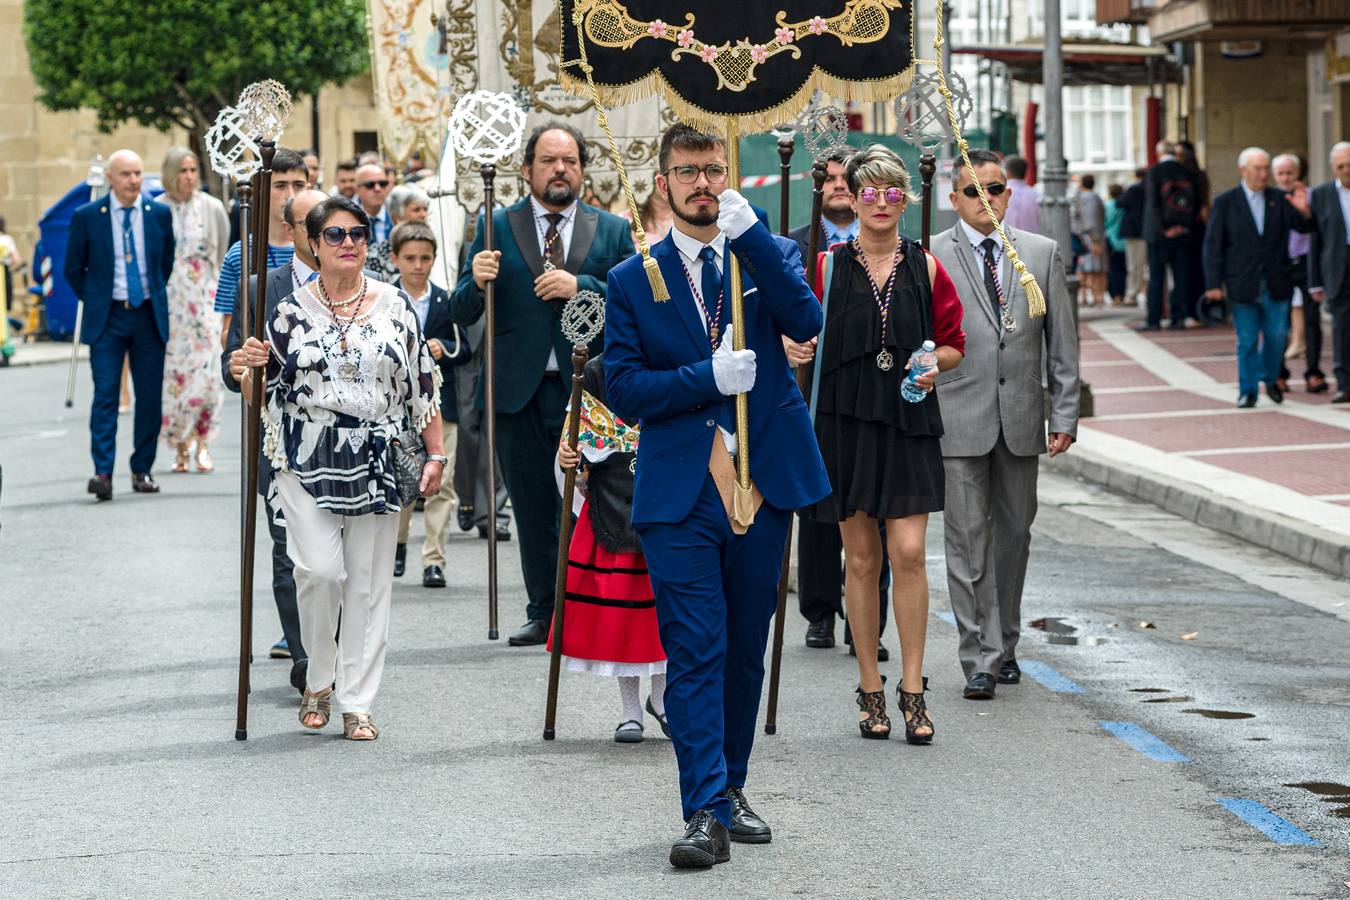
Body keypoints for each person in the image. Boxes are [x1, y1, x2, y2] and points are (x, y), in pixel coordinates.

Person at [604, 122, 830, 868]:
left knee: (742, 650)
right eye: (686, 172)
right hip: (681, 489)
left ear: (727, 176)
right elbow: (626, 388)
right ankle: (702, 809)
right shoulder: (633, 279)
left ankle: (732, 789)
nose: (701, 184)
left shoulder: (765, 254)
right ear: (663, 183)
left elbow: (807, 319)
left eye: (712, 170)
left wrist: (756, 238)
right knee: (695, 646)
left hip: (762, 482)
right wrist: (708, 378)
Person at [236, 196, 447, 741]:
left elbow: (421, 386)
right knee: (318, 572)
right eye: (334, 235)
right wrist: (248, 370)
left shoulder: (397, 305)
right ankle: (318, 678)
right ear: (313, 243)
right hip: (305, 456)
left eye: (357, 232)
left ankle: (356, 700)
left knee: (369, 585)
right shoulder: (287, 312)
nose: (347, 243)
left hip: (377, 454)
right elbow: (260, 396)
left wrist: (436, 453)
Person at [790, 144, 964, 745]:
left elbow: (954, 342)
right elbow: (798, 329)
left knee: (909, 552)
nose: (882, 202)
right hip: (845, 421)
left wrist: (933, 362)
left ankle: (912, 688)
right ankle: (870, 688)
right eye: (871, 191)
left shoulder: (928, 266)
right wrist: (795, 348)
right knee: (861, 559)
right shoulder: (828, 266)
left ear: (906, 199)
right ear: (854, 196)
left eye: (894, 192)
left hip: (908, 419)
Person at [451, 121, 635, 647]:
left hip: (589, 391)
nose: (561, 169)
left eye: (571, 161)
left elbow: (633, 301)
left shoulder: (611, 230)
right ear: (528, 169)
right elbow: (462, 309)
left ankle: (590, 608)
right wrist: (476, 278)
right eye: (550, 160)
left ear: (582, 169)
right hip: (516, 389)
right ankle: (544, 611)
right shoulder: (496, 225)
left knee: (588, 504)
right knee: (532, 505)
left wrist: (584, 285)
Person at [931, 148, 1080, 701]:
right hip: (957, 416)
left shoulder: (1041, 253)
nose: (984, 200)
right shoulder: (932, 255)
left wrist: (1063, 413)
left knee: (1014, 537)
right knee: (966, 542)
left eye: (993, 189)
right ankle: (978, 657)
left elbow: (1062, 344)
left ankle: (1006, 642)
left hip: (1020, 419)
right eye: (972, 191)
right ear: (954, 199)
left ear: (1008, 195)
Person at [784, 149, 890, 655]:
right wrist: (788, 342)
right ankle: (821, 611)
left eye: (850, 180)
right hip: (816, 394)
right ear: (818, 188)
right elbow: (776, 308)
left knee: (878, 507)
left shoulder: (891, 245)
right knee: (820, 506)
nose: (840, 188)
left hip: (875, 392)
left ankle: (868, 624)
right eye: (830, 180)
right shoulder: (798, 246)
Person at [222, 188, 329, 686]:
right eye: (313, 223)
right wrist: (240, 363)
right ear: (291, 232)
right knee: (289, 549)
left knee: (337, 559)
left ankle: (335, 651)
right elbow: (231, 368)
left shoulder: (364, 286)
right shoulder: (260, 286)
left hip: (345, 441)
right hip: (279, 438)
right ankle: (306, 656)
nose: (327, 233)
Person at [550, 357, 667, 742]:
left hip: (667, 501)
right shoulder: (596, 372)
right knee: (625, 617)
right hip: (611, 505)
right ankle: (631, 711)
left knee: (667, 611)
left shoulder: (673, 358)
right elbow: (574, 442)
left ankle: (663, 700)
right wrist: (568, 458)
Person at [64, 149, 175, 500]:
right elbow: (72, 268)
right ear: (110, 178)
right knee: (106, 395)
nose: (133, 181)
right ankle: (103, 472)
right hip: (108, 318)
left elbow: (165, 262)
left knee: (148, 398)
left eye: (138, 173)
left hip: (146, 315)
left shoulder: (158, 213)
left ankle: (142, 469)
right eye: (126, 174)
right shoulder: (88, 216)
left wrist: (150, 293)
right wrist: (96, 297)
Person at [387, 221, 472, 585]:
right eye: (410, 258)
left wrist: (443, 349)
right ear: (395, 259)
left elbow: (464, 347)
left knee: (443, 482)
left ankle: (434, 559)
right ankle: (398, 542)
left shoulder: (445, 299)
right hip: (397, 407)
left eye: (424, 258)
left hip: (441, 403)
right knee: (403, 481)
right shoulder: (384, 297)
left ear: (434, 259)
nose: (418, 265)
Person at [1203, 147, 1313, 408]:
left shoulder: (1280, 198)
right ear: (1243, 170)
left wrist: (1304, 211)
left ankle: (1271, 377)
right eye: (1258, 169)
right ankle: (1248, 390)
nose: (1264, 174)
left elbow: (1306, 227)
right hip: (1243, 282)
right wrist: (1212, 285)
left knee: (1276, 336)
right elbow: (1213, 245)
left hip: (1276, 281)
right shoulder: (1226, 202)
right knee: (1248, 339)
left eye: (1266, 169)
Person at [156, 147, 229, 474]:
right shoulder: (157, 208)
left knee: (208, 375)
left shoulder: (211, 208)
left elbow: (223, 251)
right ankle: (180, 446)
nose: (188, 177)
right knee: (175, 377)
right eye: (182, 171)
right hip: (172, 302)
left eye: (192, 170)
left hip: (204, 299)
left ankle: (203, 443)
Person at [214, 148, 308, 342]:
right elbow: (228, 334)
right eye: (280, 185)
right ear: (261, 189)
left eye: (298, 185)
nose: (290, 195)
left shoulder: (324, 248)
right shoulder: (240, 254)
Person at [1140, 141, 1204, 331]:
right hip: (1183, 233)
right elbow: (1196, 203)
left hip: (1159, 236)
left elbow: (1153, 204)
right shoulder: (1187, 171)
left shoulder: (1154, 172)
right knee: (1181, 277)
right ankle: (1179, 317)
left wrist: (1163, 230)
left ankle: (1154, 319)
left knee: (1157, 277)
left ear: (1158, 153)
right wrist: (1182, 226)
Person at [1273, 153, 1322, 393]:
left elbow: (1315, 228)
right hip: (1280, 265)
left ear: (1298, 173)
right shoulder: (1271, 200)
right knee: (1279, 321)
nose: (1285, 178)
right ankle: (1279, 374)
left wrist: (1305, 211)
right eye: (1281, 174)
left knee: (1312, 320)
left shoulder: (1311, 197)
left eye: (1289, 173)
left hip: (1307, 263)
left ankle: (1313, 372)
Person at [1308, 142, 1350, 403]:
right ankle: (1345, 384)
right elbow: (1316, 240)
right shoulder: (1321, 194)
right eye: (1341, 166)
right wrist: (1315, 283)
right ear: (1333, 168)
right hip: (1337, 269)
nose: (1347, 170)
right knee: (1342, 329)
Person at [369, 183, 431, 282]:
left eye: (425, 209)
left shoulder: (432, 249)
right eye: (416, 210)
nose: (423, 215)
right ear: (396, 217)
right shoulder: (376, 255)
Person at [1073, 174, 1107, 306]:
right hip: (1093, 236)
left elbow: (1089, 220)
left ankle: (1087, 297)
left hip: (1087, 237)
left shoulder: (1083, 198)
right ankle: (1097, 297)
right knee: (1095, 269)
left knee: (1087, 268)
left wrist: (1095, 240)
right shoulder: (1094, 197)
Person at [1117, 167, 1148, 306]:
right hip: (1148, 230)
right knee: (1147, 265)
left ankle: (1132, 294)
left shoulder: (1134, 189)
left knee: (1134, 265)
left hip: (1135, 232)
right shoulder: (1151, 188)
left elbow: (1120, 203)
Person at [1002, 156, 1041, 235]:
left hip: (1006, 243)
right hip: (1033, 242)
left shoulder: (999, 193)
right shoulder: (1037, 195)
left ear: (1007, 172)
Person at [355, 162, 393, 242]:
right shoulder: (350, 220)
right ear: (357, 189)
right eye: (370, 184)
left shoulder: (396, 218)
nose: (377, 188)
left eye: (382, 184)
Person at [1105, 183, 1128, 306]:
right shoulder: (1124, 205)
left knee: (1113, 269)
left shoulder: (1108, 205)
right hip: (1124, 240)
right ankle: (1123, 293)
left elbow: (1105, 221)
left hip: (1111, 240)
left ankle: (1116, 295)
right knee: (1123, 269)